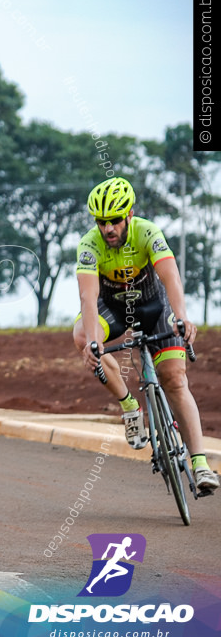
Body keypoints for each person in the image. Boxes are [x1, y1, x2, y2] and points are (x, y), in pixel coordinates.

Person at [72, 177, 219, 493]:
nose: (108, 228)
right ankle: (129, 408)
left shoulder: (147, 232)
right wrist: (95, 343)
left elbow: (171, 276)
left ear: (129, 214)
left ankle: (201, 464)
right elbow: (88, 296)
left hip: (154, 307)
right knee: (83, 336)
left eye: (114, 220)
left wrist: (181, 317)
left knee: (175, 380)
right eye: (101, 222)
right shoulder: (88, 245)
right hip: (111, 308)